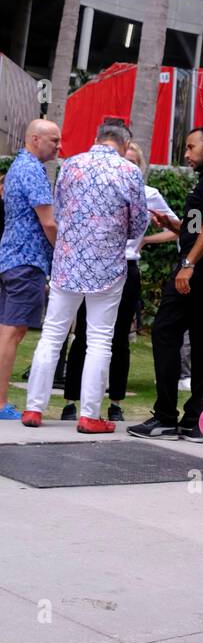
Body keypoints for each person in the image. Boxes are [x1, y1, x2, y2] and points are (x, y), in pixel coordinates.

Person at [22, 121, 148, 433]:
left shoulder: (70, 166)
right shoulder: (129, 171)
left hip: (67, 262)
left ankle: (33, 409)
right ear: (122, 143)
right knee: (100, 339)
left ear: (97, 138)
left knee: (52, 334)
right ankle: (90, 415)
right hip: (107, 266)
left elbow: (60, 212)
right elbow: (138, 223)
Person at [127, 126, 203, 442]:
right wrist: (175, 226)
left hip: (200, 272)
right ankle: (194, 420)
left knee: (166, 331)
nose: (187, 155)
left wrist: (188, 264)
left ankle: (167, 416)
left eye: (191, 147)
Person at [61, 142, 176, 423]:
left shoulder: (148, 194)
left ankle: (115, 401)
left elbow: (176, 227)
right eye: (123, 159)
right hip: (98, 265)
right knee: (85, 334)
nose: (124, 166)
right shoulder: (96, 189)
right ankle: (71, 401)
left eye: (132, 162)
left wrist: (145, 240)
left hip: (127, 265)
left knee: (120, 338)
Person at [0, 119, 59, 419]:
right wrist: (62, 250)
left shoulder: (16, 167)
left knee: (6, 331)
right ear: (35, 139)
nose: (58, 147)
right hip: (26, 259)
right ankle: (0, 404)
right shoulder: (33, 170)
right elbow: (48, 222)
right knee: (13, 332)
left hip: (9, 257)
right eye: (54, 141)